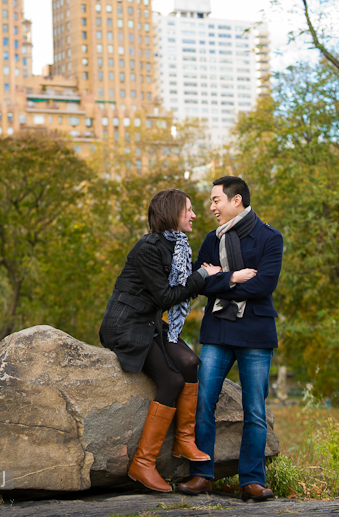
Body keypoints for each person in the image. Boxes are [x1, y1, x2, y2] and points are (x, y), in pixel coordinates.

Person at [100, 188, 220, 492]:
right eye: (188, 210)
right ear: (171, 213)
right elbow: (167, 295)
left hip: (150, 322)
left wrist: (208, 275)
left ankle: (183, 441)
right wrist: (202, 276)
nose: (194, 215)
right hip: (126, 325)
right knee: (171, 380)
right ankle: (143, 462)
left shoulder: (177, 246)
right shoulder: (148, 248)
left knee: (191, 363)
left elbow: (180, 283)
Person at [178, 176, 283, 503]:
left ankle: (252, 480)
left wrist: (218, 279)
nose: (210, 207)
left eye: (215, 200)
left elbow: (264, 285)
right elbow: (198, 283)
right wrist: (233, 277)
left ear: (236, 200)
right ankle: (202, 475)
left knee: (254, 408)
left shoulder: (270, 238)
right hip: (218, 331)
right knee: (203, 401)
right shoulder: (211, 239)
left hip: (255, 333)